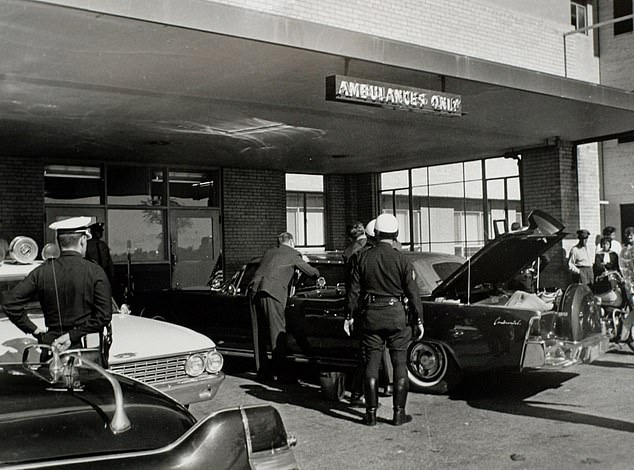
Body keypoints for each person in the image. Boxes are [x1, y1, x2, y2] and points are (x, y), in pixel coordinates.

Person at [346, 213, 424, 426]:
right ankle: (399, 413)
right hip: (397, 315)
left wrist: (349, 316)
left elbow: (353, 292)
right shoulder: (402, 259)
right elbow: (413, 293)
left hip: (371, 316)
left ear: (376, 234)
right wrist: (418, 320)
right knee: (400, 363)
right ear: (396, 234)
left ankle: (370, 414)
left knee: (371, 363)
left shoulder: (362, 257)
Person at [1, 216, 112, 363]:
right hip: (86, 352)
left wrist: (34, 330)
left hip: (51, 348)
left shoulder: (42, 271)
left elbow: (10, 303)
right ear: (83, 240)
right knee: (90, 385)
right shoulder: (95, 271)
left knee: (50, 385)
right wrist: (72, 335)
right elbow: (104, 315)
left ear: (59, 243)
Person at [249, 232, 320, 382]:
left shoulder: (269, 252)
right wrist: (305, 262)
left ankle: (263, 372)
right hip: (272, 293)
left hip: (254, 291)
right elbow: (312, 272)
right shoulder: (293, 254)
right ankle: (280, 373)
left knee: (259, 333)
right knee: (277, 332)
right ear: (292, 242)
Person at [85, 222, 115, 286]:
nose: (100, 234)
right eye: (98, 232)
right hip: (91, 275)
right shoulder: (86, 245)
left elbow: (108, 263)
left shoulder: (102, 245)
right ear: (93, 232)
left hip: (102, 275)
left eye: (100, 231)